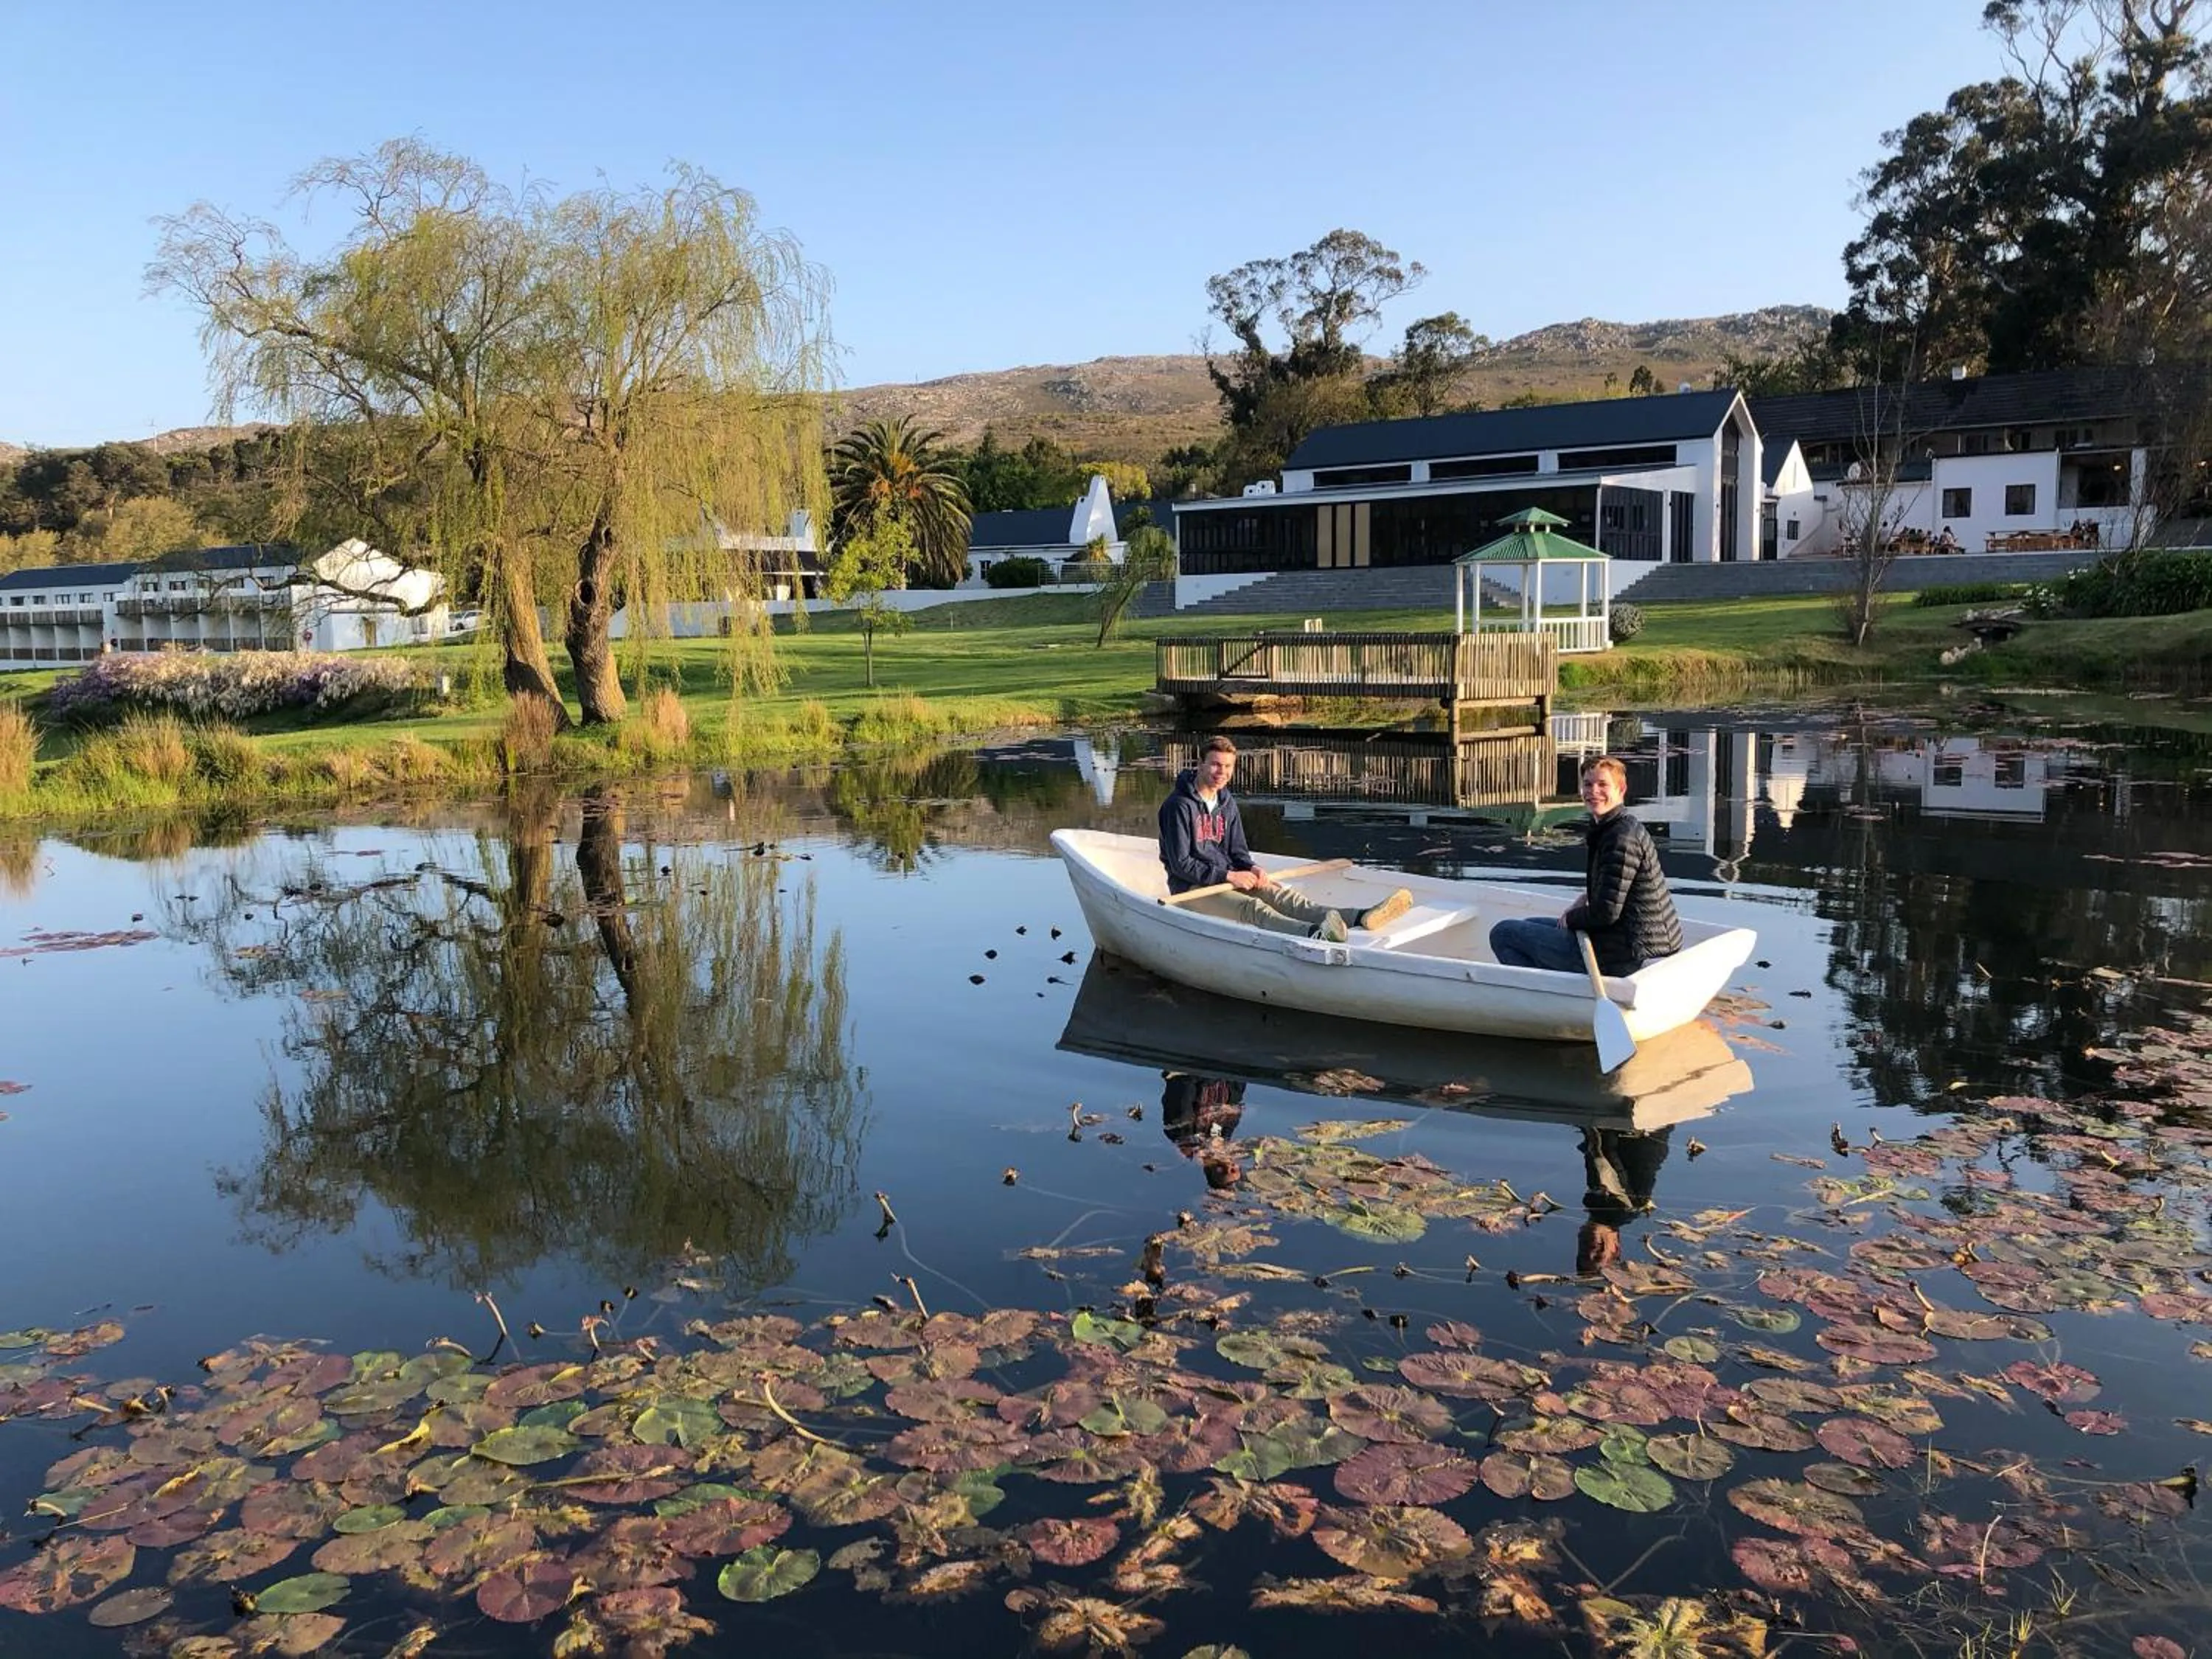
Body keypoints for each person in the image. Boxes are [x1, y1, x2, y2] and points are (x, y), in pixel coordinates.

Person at [1158, 735, 1412, 942]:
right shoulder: (1178, 806)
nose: (1221, 772)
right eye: (1215, 765)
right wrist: (1229, 876)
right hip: (1191, 889)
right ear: (1200, 765)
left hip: (1229, 877)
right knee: (1254, 910)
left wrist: (1251, 868)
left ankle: (1360, 917)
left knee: (1285, 898)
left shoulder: (1226, 802)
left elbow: (1238, 851)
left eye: (1227, 766)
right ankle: (1316, 934)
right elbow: (1182, 864)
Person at [1487, 754, 1682, 976]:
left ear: (1621, 788)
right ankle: (1558, 984)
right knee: (1530, 923)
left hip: (1627, 955)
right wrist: (1583, 900)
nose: (1593, 791)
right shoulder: (1616, 826)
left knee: (1503, 934)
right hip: (1630, 941)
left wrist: (1572, 918)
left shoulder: (1621, 838)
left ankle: (1555, 996)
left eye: (1602, 785)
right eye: (1588, 784)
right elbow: (1613, 888)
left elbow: (1606, 914)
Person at [1575, 1125, 1673, 1276]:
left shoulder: (1601, 1205)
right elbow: (1602, 1148)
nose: (1591, 1251)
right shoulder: (1621, 1208)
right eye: (1599, 1256)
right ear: (1615, 1247)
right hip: (1646, 1123)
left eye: (1583, 1254)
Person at [1161, 1071, 1246, 1190]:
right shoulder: (1222, 1134)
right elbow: (1237, 1097)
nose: (1229, 1165)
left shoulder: (1181, 1133)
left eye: (1221, 1172)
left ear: (1207, 1167)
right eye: (1234, 1169)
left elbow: (1182, 1082)